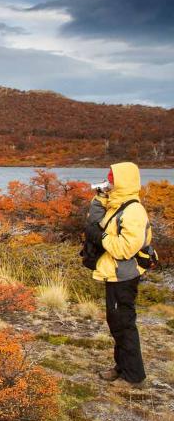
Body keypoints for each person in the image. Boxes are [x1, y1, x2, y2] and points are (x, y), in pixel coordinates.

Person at [84, 162, 152, 388]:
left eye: (112, 180)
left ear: (123, 181)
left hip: (123, 276)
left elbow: (124, 249)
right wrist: (101, 196)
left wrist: (101, 238)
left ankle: (134, 378)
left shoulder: (133, 211)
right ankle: (121, 367)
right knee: (117, 323)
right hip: (114, 275)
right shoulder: (118, 204)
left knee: (124, 324)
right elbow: (96, 218)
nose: (109, 183)